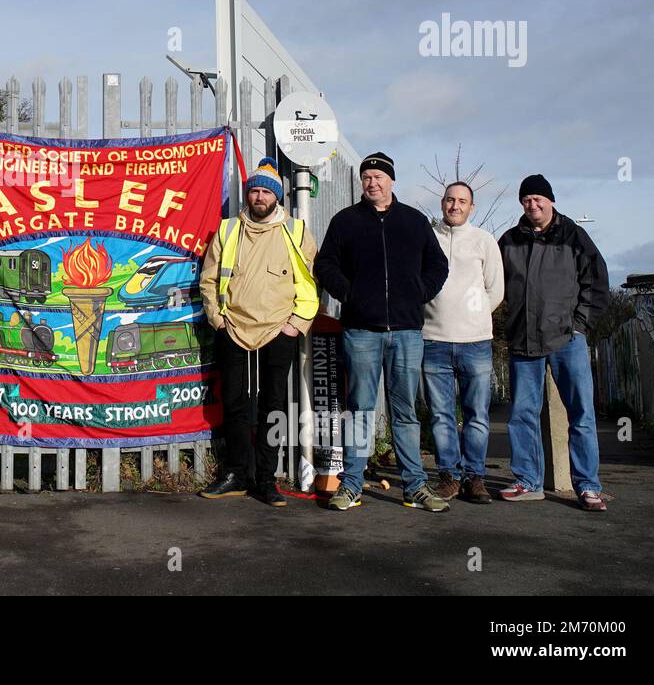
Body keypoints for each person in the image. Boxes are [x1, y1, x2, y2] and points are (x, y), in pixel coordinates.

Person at [314, 151, 450, 513]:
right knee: (359, 410)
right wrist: (349, 293)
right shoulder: (345, 221)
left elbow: (438, 264)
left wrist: (419, 292)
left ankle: (415, 486)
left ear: (391, 181)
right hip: (361, 331)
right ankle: (352, 485)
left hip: (406, 331)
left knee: (405, 412)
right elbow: (324, 264)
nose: (372, 183)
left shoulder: (414, 221)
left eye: (378, 177)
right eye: (367, 177)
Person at [199, 157, 318, 507]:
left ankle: (266, 479)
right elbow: (208, 279)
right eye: (255, 191)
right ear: (247, 196)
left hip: (279, 329)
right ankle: (237, 473)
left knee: (273, 404)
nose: (260, 197)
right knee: (234, 403)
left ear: (277, 198)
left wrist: (296, 324)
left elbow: (310, 281)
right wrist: (217, 319)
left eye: (267, 192)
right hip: (232, 327)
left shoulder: (295, 231)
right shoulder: (227, 230)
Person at [497, 175, 609, 511]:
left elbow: (597, 282)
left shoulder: (574, 236)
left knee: (582, 415)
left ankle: (588, 487)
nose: (533, 205)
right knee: (522, 415)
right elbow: (490, 284)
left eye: (538, 199)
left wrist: (579, 325)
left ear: (551, 201)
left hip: (567, 341)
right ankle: (528, 482)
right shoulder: (509, 241)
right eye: (527, 199)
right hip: (523, 342)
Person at [421, 181, 504, 503]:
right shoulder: (428, 239)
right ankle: (449, 476)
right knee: (441, 415)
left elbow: (494, 289)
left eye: (462, 201)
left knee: (477, 414)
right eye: (449, 200)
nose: (455, 206)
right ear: (442, 203)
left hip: (475, 341)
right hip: (434, 339)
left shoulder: (484, 241)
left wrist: (475, 315)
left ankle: (475, 477)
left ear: (472, 207)